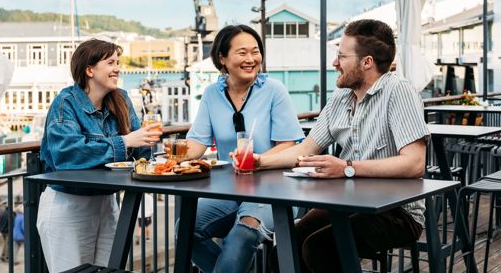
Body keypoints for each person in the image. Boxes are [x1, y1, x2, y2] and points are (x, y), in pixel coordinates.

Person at [258, 19, 430, 272]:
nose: (334, 63)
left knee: (320, 248)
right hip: (347, 203)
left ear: (367, 62)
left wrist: (347, 167)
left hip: (396, 211)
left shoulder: (399, 91)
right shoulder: (340, 96)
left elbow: (415, 163)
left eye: (341, 57)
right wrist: (258, 161)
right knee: (284, 248)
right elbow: (306, 149)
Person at [183, 24, 305, 273]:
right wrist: (171, 155)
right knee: (185, 229)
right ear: (222, 58)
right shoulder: (211, 94)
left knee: (242, 235)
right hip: (228, 190)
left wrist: (256, 160)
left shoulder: (274, 90)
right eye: (242, 52)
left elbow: (288, 144)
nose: (251, 59)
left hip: (275, 190)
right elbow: (197, 143)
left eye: (255, 51)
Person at [37, 39, 159, 272]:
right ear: (90, 69)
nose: (117, 68)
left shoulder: (121, 99)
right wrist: (124, 142)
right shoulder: (65, 103)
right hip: (69, 204)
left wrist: (148, 148)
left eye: (118, 62)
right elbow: (67, 154)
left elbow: (139, 149)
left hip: (108, 202)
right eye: (111, 62)